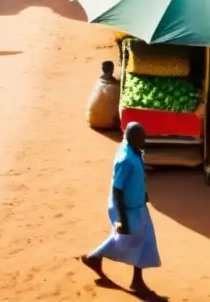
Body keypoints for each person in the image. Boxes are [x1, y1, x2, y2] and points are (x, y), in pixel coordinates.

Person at [81, 123, 161, 298]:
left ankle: (96, 259)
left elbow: (139, 173)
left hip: (138, 205)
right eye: (142, 138)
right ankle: (134, 281)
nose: (144, 141)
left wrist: (143, 192)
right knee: (131, 240)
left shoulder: (135, 150)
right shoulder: (125, 159)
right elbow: (118, 189)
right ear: (132, 139)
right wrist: (121, 219)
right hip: (126, 208)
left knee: (143, 239)